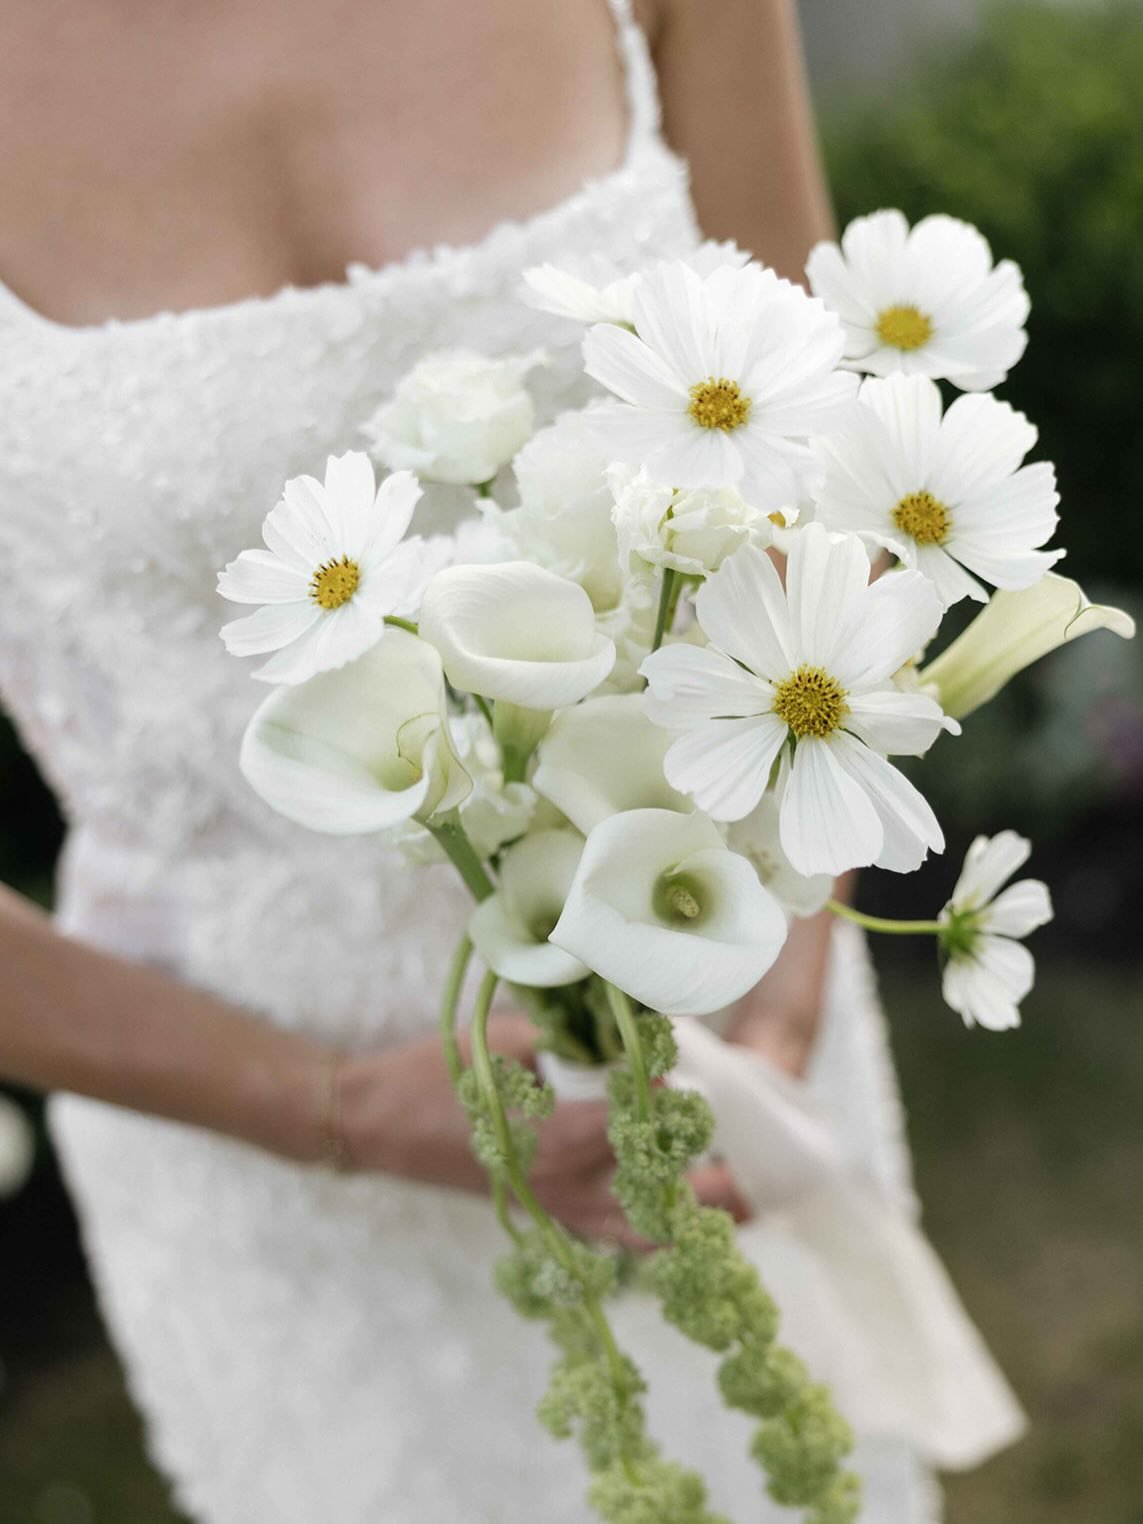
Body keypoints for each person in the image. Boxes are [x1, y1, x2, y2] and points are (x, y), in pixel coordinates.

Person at [0, 2, 945, 1518]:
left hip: (711, 1008)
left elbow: (809, 428)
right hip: (270, 1174)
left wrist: (778, 971)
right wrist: (339, 1108)